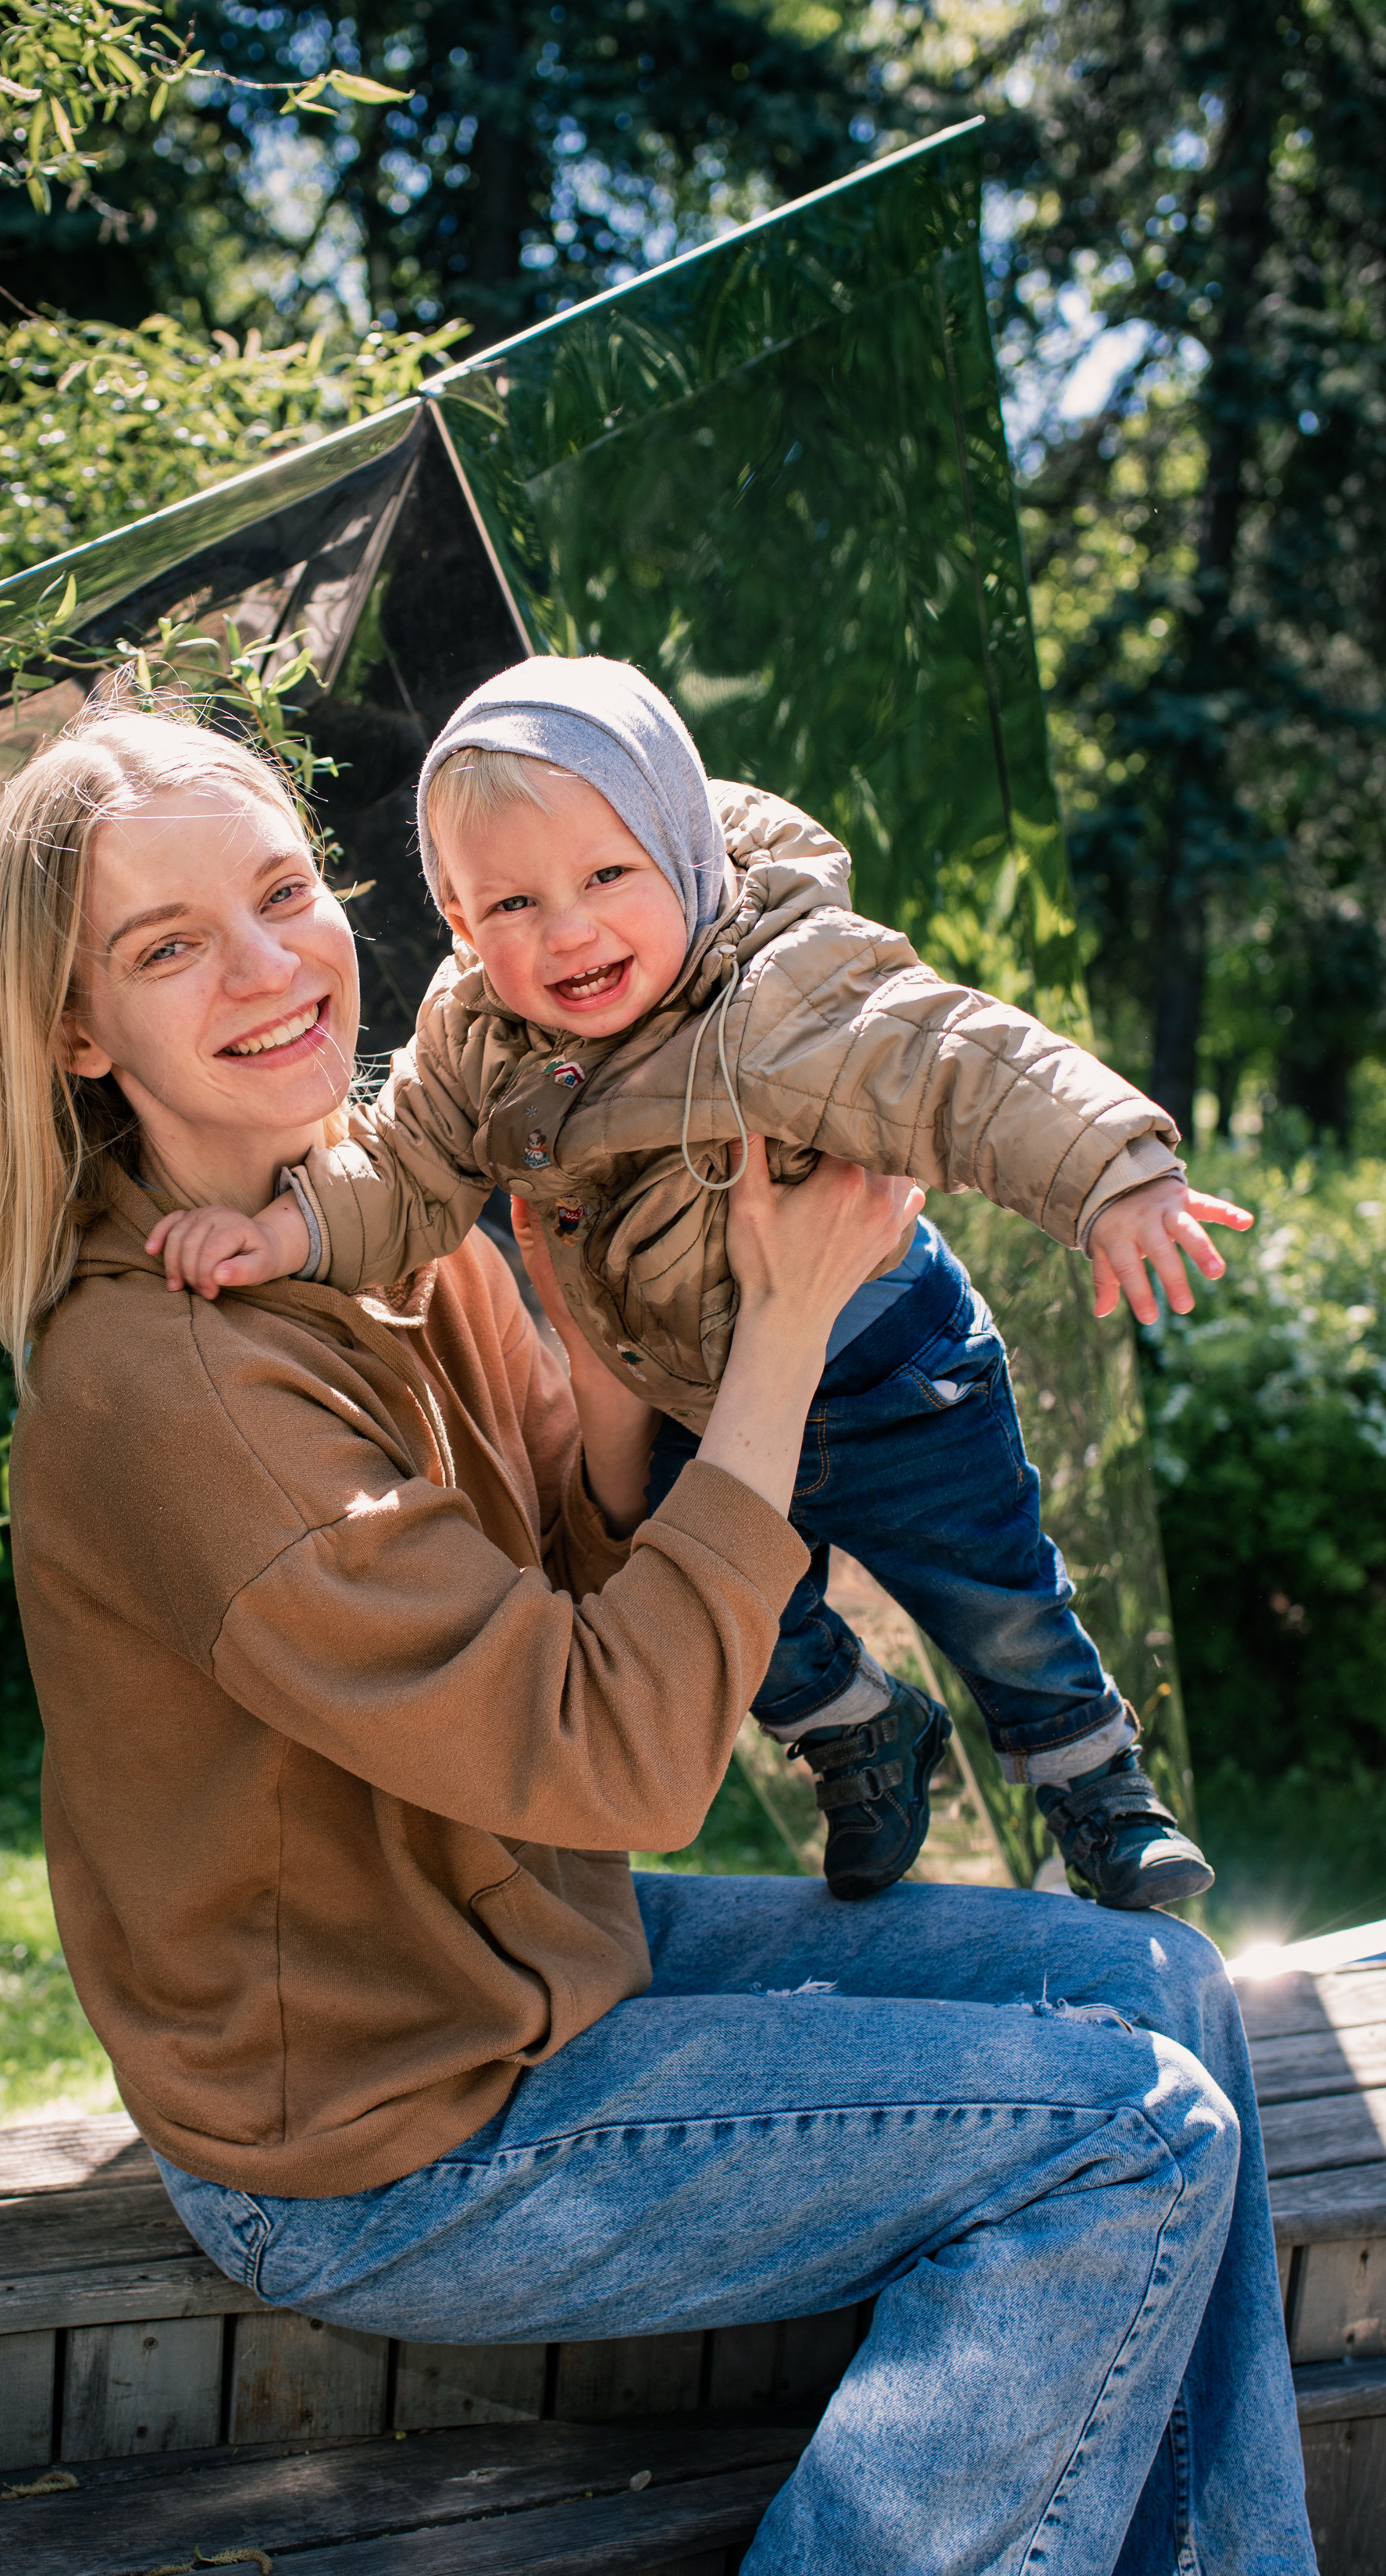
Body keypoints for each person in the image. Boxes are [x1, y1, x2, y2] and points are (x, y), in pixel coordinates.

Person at [0, 703, 1313, 2576]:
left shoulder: (393, 1241)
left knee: (1165, 1998)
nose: (267, 967)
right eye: (170, 947)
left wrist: (635, 1332)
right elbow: (622, 1750)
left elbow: (597, 1555)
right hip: (386, 2128)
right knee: (1128, 2134)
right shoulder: (175, 1389)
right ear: (78, 1033)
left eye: (279, 894)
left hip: (533, 1949)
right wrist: (791, 1325)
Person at [146, 657, 1252, 1910]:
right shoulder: (479, 1042)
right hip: (701, 1406)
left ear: (683, 856)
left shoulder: (781, 988)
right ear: (457, 921)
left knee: (995, 1596)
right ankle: (859, 1730)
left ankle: (1099, 1790)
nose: (567, 931)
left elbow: (958, 1064)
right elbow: (402, 1174)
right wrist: (290, 1235)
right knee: (727, 1623)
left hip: (890, 1367)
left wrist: (1114, 1174)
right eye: (512, 903)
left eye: (608, 876)